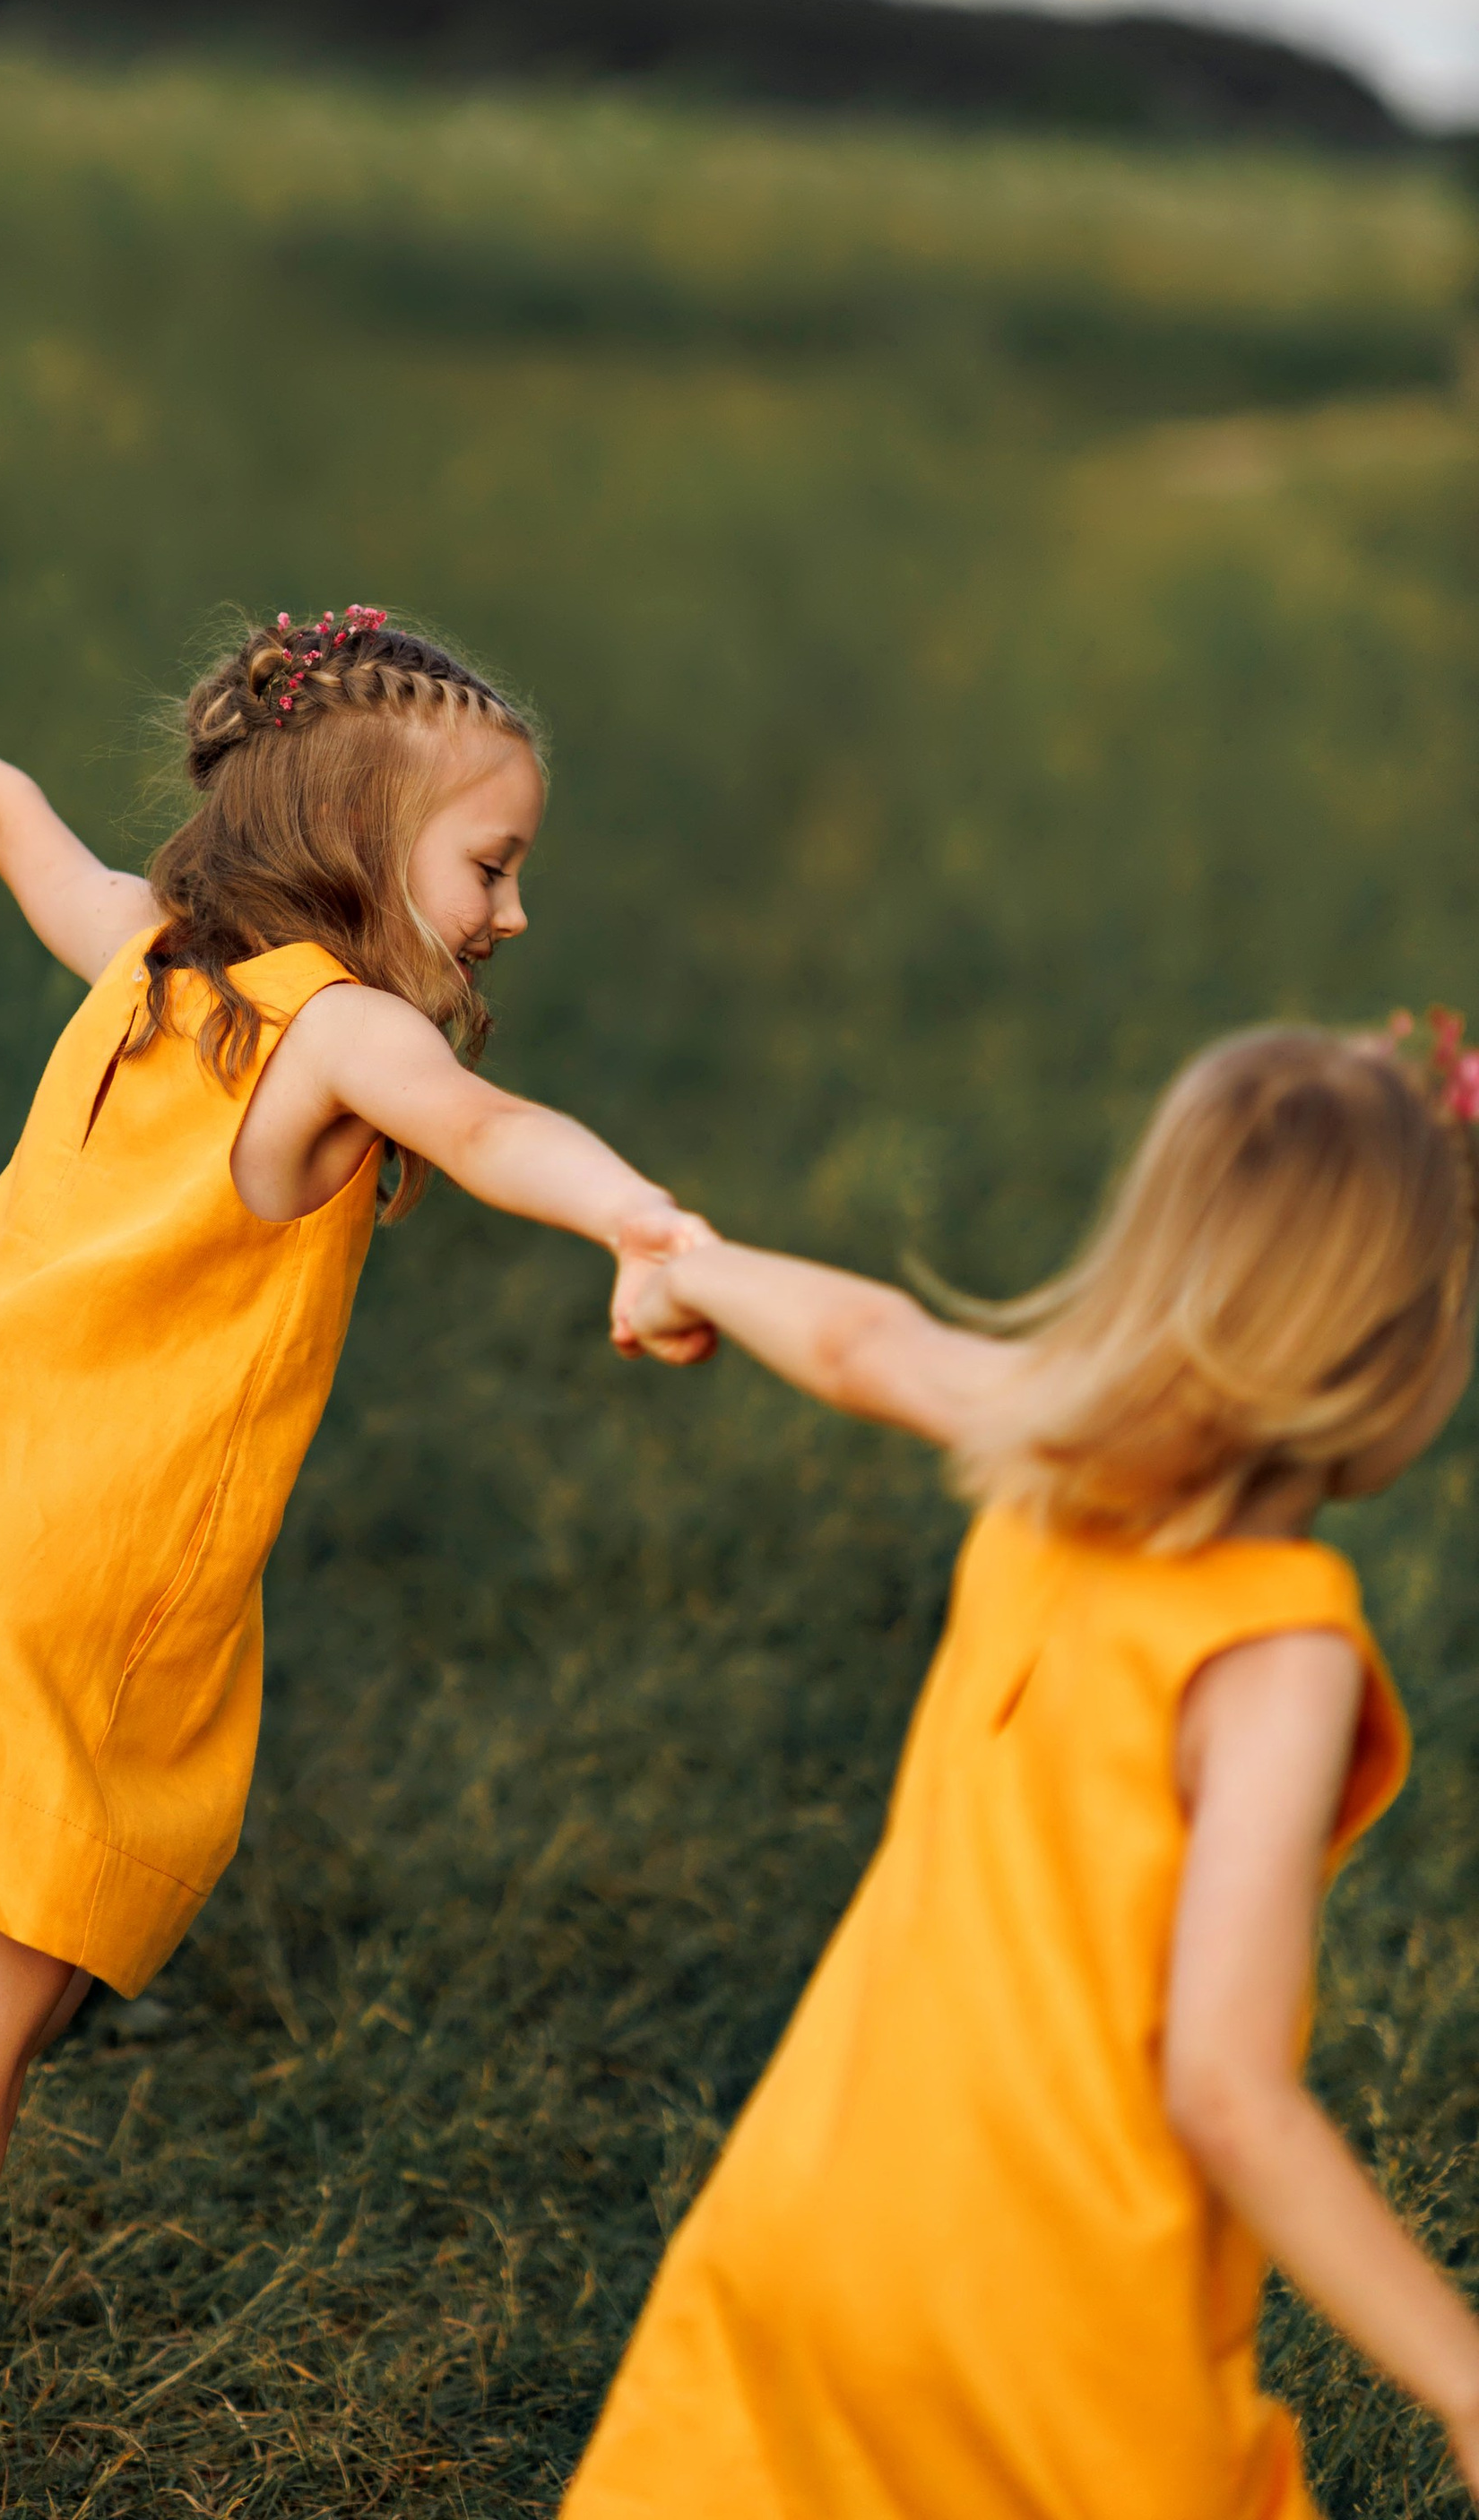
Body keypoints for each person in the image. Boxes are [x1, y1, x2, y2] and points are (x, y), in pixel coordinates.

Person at [0, 605, 709, 2507]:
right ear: (350, 838)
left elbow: (3, 820)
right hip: (53, 1595)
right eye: (489, 864)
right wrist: (643, 1221)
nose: (509, 911)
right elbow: (483, 1128)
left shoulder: (154, 958)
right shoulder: (339, 1036)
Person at [565, 1018, 1479, 2519]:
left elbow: (863, 1344)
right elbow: (1229, 2092)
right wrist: (1460, 2375)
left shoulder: (1051, 1444)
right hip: (1056, 2321)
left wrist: (687, 1264)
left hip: (823, 2207)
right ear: (1402, 1342)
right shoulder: (1278, 1653)